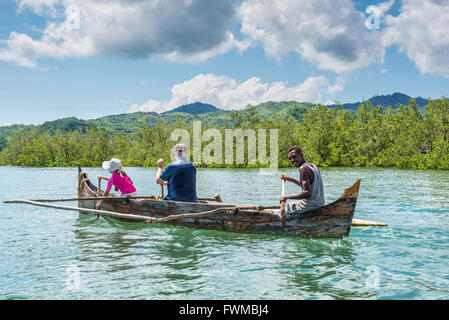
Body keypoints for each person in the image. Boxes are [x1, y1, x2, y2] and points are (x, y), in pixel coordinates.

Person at [280, 147, 324, 213]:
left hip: (308, 208)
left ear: (301, 155)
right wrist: (290, 179)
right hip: (319, 205)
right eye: (290, 159)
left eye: (294, 157)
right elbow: (307, 187)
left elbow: (307, 193)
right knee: (290, 205)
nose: (292, 160)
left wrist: (286, 197)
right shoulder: (312, 165)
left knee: (286, 209)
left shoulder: (303, 168)